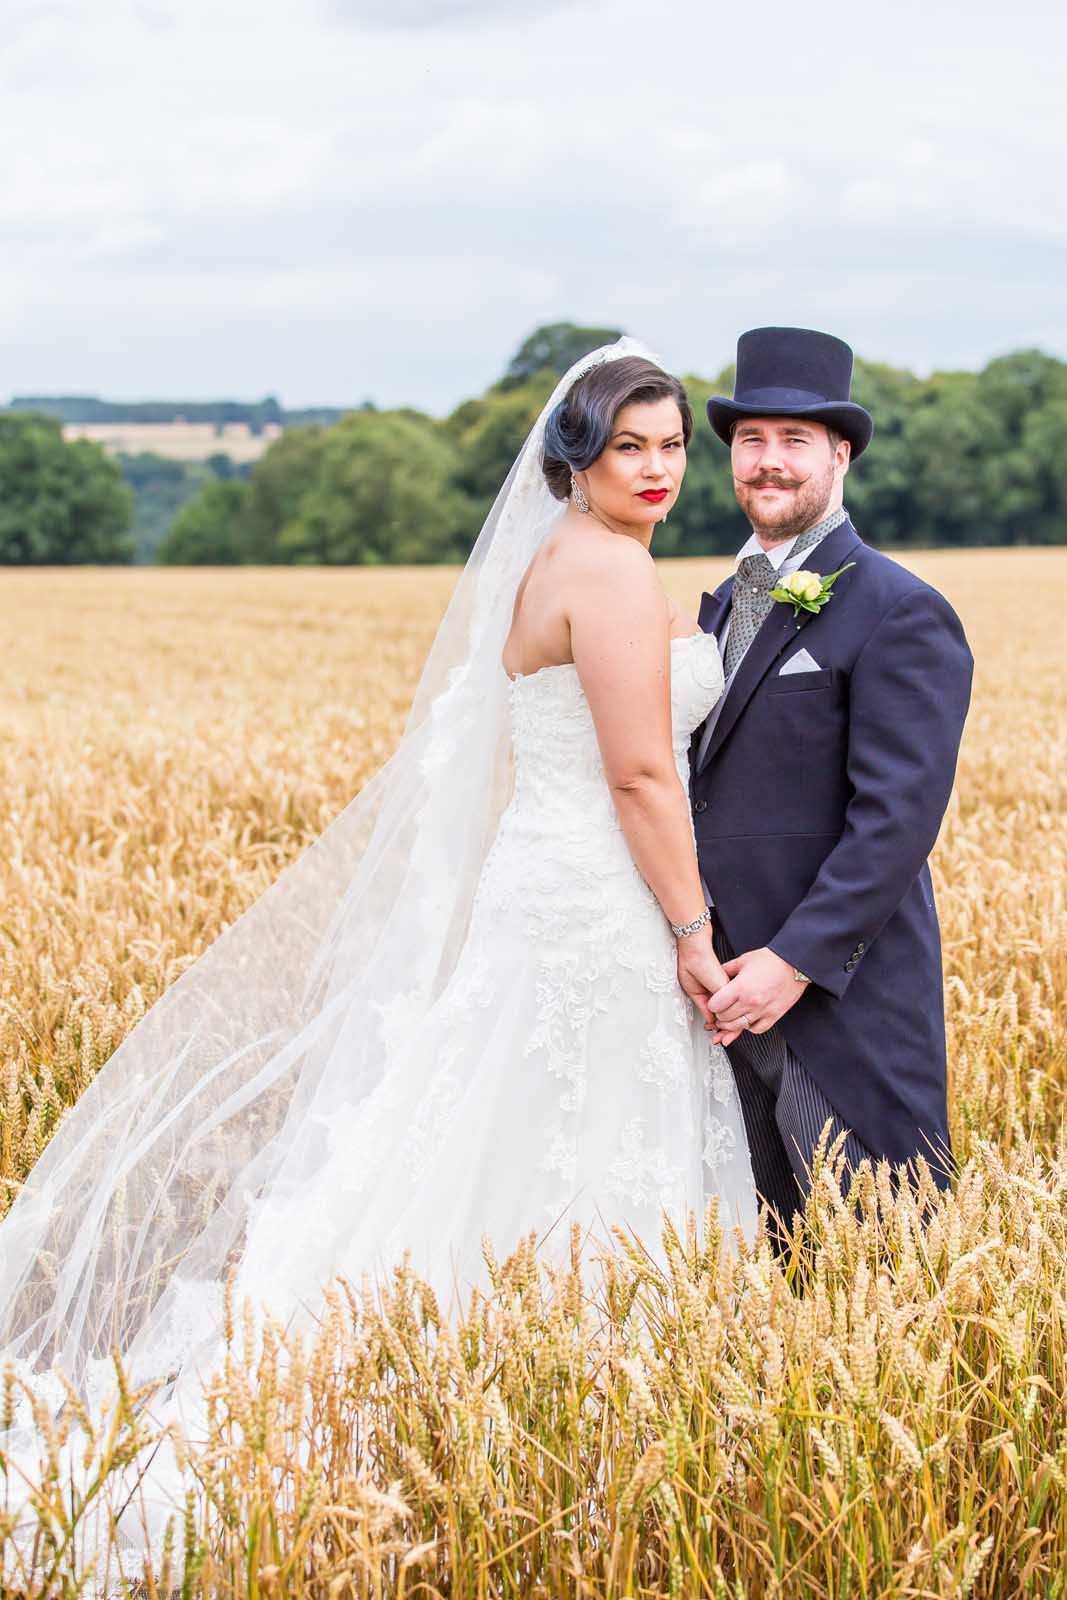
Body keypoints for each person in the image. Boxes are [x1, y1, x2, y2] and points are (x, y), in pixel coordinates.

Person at [0, 343, 756, 1497]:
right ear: (576, 458)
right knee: (566, 1123)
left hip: (554, 885)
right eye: (627, 448)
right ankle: (542, 1405)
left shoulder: (568, 558)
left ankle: (506, 1381)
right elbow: (641, 778)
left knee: (502, 1115)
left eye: (670, 448)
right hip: (592, 902)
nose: (657, 470)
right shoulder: (603, 573)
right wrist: (696, 933)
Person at [690, 326, 973, 1232]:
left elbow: (895, 821)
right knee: (762, 1266)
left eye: (794, 441)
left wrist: (793, 962)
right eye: (750, 442)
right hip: (718, 1000)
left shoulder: (899, 609)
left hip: (840, 1008)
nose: (767, 464)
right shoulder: (727, 599)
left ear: (839, 454)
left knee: (882, 1260)